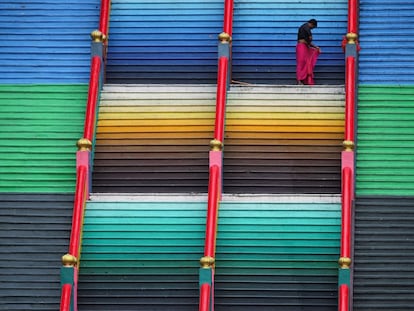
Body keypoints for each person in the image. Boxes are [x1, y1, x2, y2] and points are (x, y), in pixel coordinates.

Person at [296, 19, 321, 85]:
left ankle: (303, 79)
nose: (312, 29)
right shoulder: (306, 26)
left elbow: (308, 42)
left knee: (306, 62)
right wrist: (310, 37)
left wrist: (315, 47)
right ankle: (299, 79)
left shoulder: (305, 28)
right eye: (313, 27)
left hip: (305, 46)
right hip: (301, 47)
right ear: (311, 24)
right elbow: (310, 38)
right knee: (301, 63)